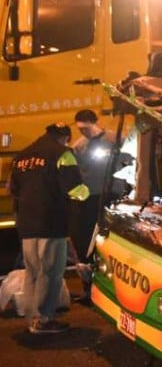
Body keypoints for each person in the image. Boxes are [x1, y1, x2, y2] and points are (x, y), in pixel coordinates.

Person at [10, 123, 90, 334]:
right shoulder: (63, 154)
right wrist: (87, 195)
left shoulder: (22, 157)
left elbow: (13, 189)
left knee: (33, 272)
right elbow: (74, 189)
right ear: (64, 137)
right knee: (51, 272)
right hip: (52, 222)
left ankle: (31, 316)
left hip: (27, 225)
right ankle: (43, 320)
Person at [69, 108, 133, 303]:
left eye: (86, 129)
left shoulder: (116, 139)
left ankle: (115, 289)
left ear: (95, 122)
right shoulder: (79, 146)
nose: (84, 133)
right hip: (90, 200)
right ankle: (90, 289)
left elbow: (131, 163)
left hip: (113, 196)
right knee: (88, 243)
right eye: (81, 130)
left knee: (114, 243)